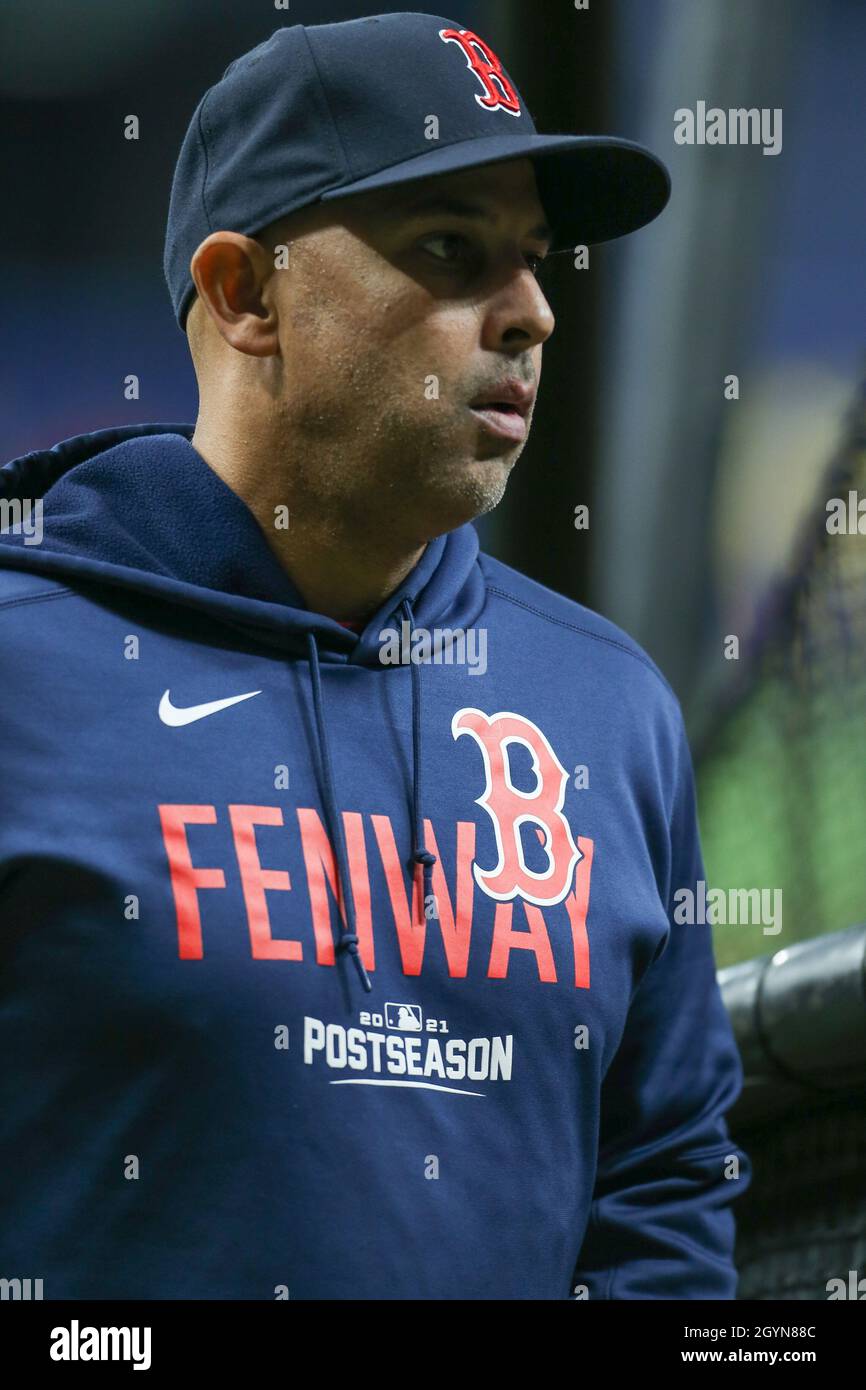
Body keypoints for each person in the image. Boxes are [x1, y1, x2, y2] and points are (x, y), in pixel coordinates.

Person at [0, 12, 751, 1299]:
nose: (532, 314)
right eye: (454, 250)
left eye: (532, 258)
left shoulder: (609, 707)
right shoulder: (27, 672)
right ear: (245, 295)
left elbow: (661, 1180)